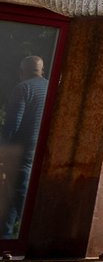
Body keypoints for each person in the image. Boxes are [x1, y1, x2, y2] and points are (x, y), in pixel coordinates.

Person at [2, 55, 49, 239]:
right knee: (12, 204)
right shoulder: (50, 88)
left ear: (22, 72)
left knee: (19, 202)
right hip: (40, 153)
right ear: (42, 71)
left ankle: (23, 243)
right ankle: (6, 243)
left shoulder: (23, 88)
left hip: (22, 155)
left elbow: (13, 125)